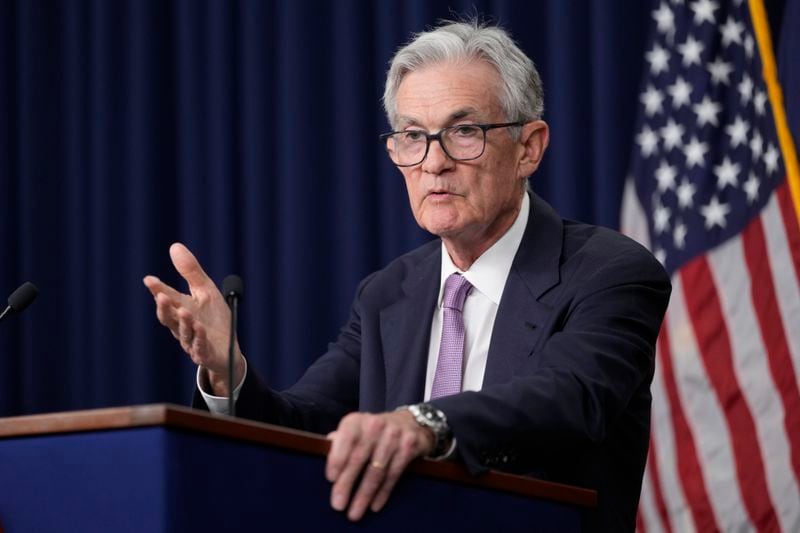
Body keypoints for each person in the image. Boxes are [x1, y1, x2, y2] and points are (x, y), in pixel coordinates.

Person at [144, 19, 670, 531]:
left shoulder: (610, 271)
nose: (433, 163)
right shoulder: (387, 294)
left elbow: (568, 398)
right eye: (413, 136)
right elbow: (302, 428)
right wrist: (227, 372)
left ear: (528, 148)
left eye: (464, 132)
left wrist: (425, 425)